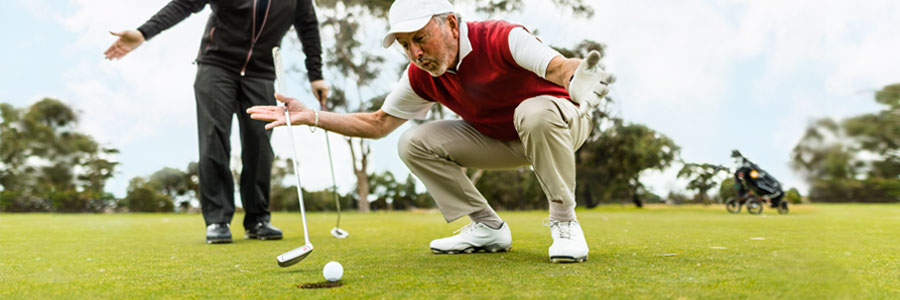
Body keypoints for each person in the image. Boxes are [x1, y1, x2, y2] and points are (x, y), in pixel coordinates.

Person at [248, 0, 615, 263]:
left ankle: (565, 224)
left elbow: (558, 67)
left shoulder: (502, 37)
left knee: (532, 112)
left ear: (452, 25)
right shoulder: (421, 76)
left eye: (420, 38)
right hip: (504, 140)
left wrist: (576, 76)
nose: (415, 52)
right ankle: (487, 227)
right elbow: (378, 125)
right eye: (406, 45)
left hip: (561, 124)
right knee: (413, 141)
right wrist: (312, 116)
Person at [104, 0, 329, 244]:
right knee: (214, 139)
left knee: (260, 143)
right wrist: (143, 33)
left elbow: (308, 27)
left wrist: (316, 75)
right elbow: (184, 4)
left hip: (260, 73)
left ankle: (258, 219)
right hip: (217, 65)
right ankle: (217, 220)